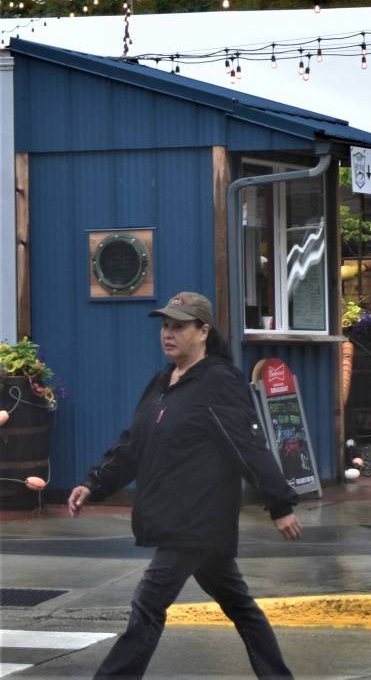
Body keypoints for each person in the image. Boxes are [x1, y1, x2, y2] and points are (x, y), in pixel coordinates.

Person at [67, 291, 301, 679]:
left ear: (203, 331)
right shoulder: (163, 381)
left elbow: (246, 446)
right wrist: (93, 483)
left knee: (147, 605)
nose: (168, 333)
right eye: (165, 326)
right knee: (240, 606)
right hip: (179, 520)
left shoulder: (217, 382)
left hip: (195, 520)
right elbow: (134, 443)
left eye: (178, 326)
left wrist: (279, 504)